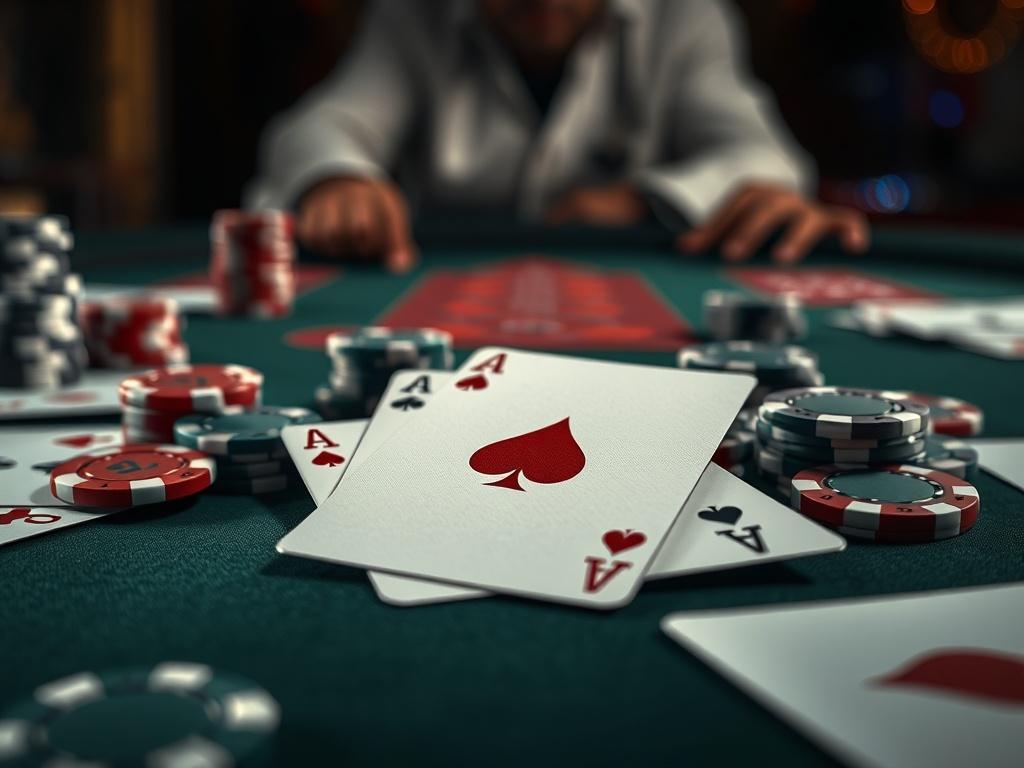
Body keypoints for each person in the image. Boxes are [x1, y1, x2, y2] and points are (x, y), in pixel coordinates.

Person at [247, 0, 869, 273]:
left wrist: (641, 200)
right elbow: (318, 127)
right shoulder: (411, 14)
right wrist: (338, 177)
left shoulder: (686, 13)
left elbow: (764, 156)